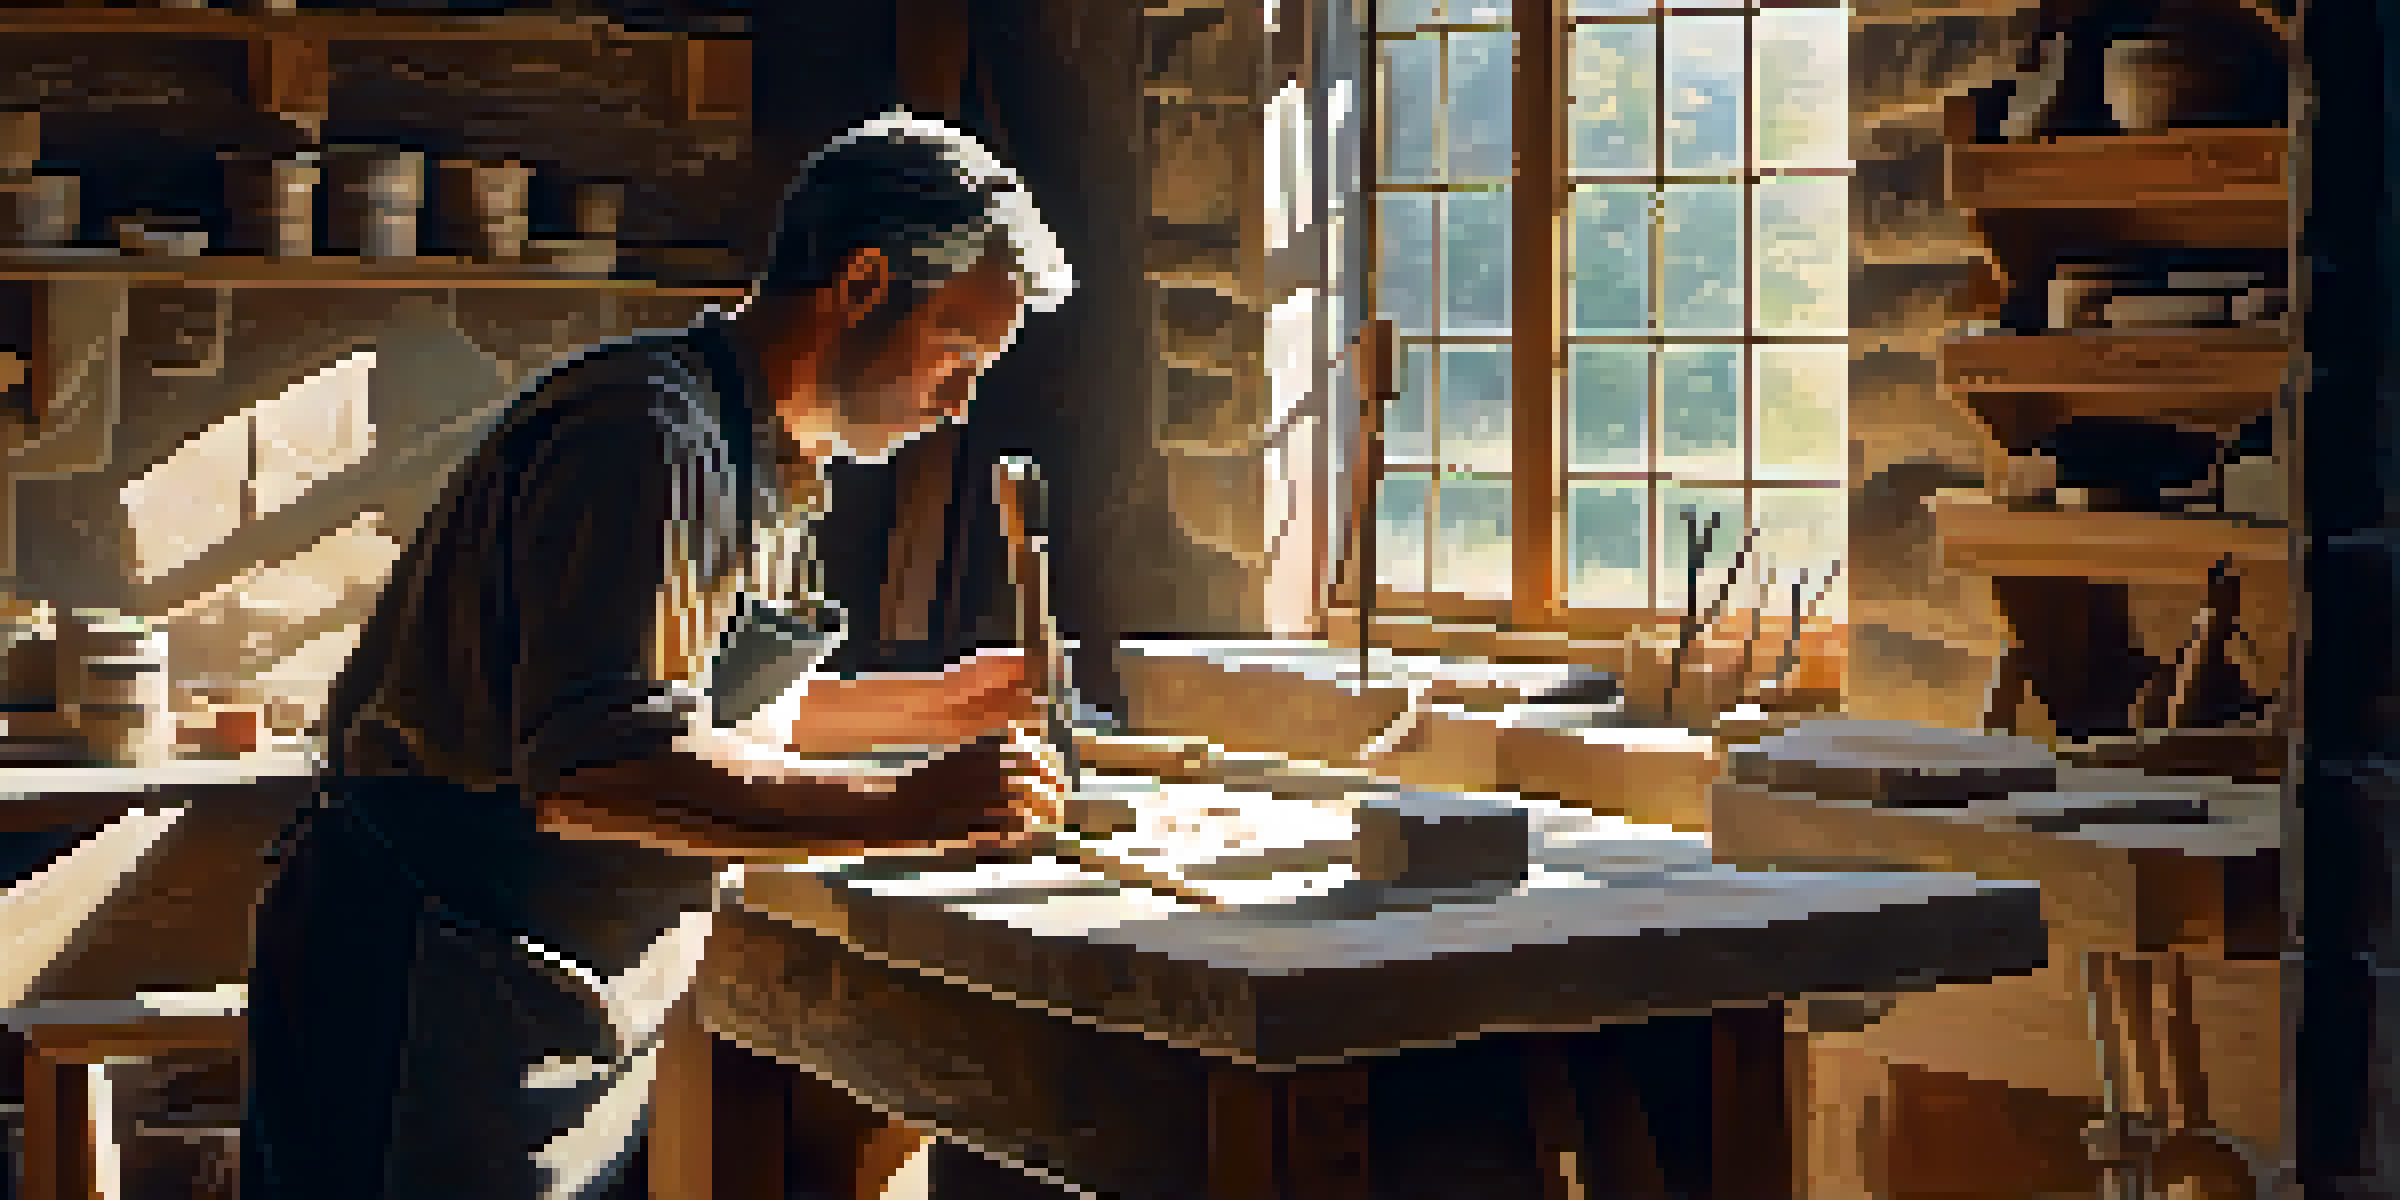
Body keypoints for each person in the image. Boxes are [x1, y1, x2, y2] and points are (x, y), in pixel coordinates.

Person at [238, 110, 1077, 1199]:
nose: (961, 399)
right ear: (864, 282)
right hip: (434, 974)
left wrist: (936, 707)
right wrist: (905, 809)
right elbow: (597, 767)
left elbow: (692, 708)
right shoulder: (646, 438)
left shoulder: (770, 457)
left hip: (539, 981)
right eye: (957, 351)